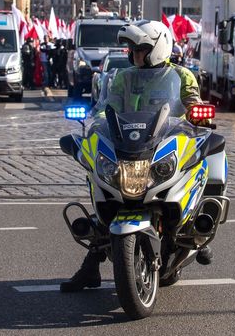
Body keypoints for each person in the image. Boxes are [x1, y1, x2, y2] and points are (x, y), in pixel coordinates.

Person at [60, 20, 210, 293]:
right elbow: (109, 106)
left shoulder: (182, 75)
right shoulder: (123, 77)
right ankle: (90, 266)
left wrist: (198, 112)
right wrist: (96, 121)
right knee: (106, 189)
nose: (133, 54)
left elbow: (191, 102)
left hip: (166, 142)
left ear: (156, 48)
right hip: (131, 143)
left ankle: (196, 232)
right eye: (131, 49)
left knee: (205, 160)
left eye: (139, 48)